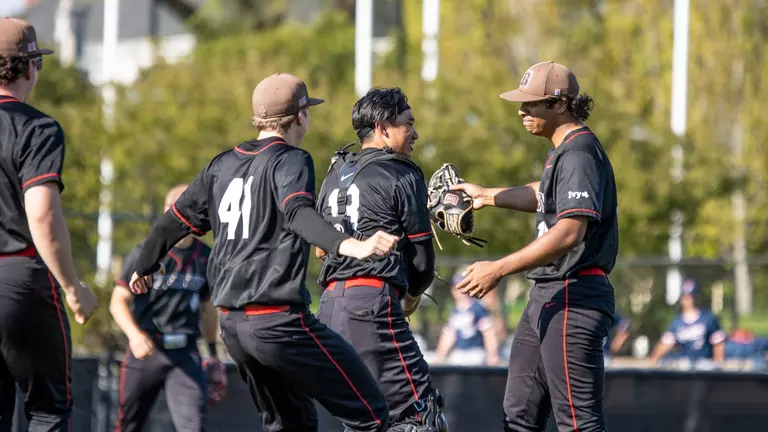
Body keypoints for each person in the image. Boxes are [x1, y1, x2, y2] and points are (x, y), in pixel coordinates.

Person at [125, 73, 398, 432]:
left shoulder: (221, 164)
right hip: (279, 324)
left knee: (290, 425)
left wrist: (144, 264)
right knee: (371, 412)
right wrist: (352, 245)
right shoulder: (292, 160)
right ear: (300, 117)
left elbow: (174, 220)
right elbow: (298, 212)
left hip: (234, 327)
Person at [452, 61, 618, 432]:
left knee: (578, 422)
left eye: (531, 103)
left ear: (560, 104)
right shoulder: (564, 151)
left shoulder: (579, 152)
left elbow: (569, 232)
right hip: (548, 293)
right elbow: (544, 194)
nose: (522, 110)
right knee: (520, 416)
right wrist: (486, 195)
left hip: (574, 294)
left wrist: (498, 269)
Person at [314, 87, 447, 432]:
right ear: (383, 127)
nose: (415, 133)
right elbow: (422, 261)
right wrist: (411, 297)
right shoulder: (402, 172)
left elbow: (320, 250)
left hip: (329, 308)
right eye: (408, 123)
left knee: (367, 420)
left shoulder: (334, 173)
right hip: (371, 305)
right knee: (420, 416)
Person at [0, 17, 98, 431]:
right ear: (29, 67)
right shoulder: (36, 127)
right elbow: (41, 213)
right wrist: (73, 287)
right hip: (19, 276)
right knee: (48, 411)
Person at [110, 184, 221, 432]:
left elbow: (208, 309)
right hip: (147, 349)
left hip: (185, 352)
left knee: (193, 427)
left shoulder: (205, 256)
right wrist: (134, 335)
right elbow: (118, 300)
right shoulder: (147, 252)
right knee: (128, 425)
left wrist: (213, 353)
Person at [649, 279, 726, 369]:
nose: (688, 300)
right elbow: (666, 343)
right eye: (685, 297)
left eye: (691, 297)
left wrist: (718, 365)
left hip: (705, 363)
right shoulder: (677, 322)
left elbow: (718, 343)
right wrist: (653, 360)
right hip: (686, 364)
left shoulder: (708, 318)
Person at [433, 269, 501, 366]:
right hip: (459, 354)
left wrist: (492, 356)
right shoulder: (455, 311)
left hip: (476, 354)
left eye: (462, 287)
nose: (458, 291)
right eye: (456, 288)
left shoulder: (477, 308)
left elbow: (488, 334)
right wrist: (439, 357)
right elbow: (448, 336)